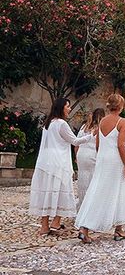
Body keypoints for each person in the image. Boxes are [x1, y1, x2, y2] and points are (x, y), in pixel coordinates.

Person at [29, 98, 92, 236]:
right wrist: (91, 136)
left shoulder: (48, 123)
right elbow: (74, 141)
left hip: (45, 162)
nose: (69, 109)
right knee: (60, 190)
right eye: (67, 106)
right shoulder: (61, 124)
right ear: (61, 108)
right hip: (58, 162)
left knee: (47, 192)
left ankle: (45, 225)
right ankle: (56, 222)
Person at [76, 94, 125, 243]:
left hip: (102, 158)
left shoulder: (102, 122)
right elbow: (121, 145)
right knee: (118, 191)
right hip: (115, 160)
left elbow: (98, 144)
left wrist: (102, 157)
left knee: (97, 190)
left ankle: (84, 227)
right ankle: (119, 229)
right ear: (121, 106)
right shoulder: (123, 121)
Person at [75, 108, 106, 209]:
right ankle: (91, 206)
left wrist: (76, 156)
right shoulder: (101, 128)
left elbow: (77, 143)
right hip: (93, 155)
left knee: (82, 179)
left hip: (82, 154)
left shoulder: (84, 127)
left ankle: (82, 202)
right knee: (93, 180)